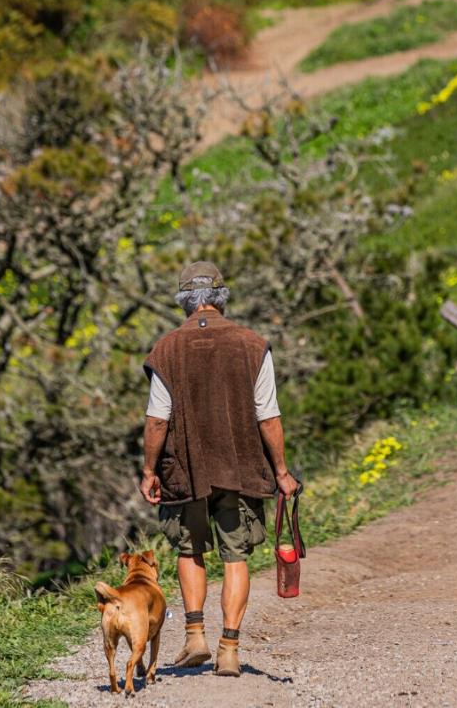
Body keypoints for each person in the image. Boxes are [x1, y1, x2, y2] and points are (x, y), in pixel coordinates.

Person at [139, 261, 300, 679]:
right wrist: (281, 471)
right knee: (235, 556)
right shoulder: (252, 344)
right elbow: (268, 416)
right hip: (240, 465)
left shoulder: (166, 349)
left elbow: (158, 419)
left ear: (183, 302)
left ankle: (195, 636)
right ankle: (229, 649)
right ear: (222, 298)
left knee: (189, 548)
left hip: (185, 469)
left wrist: (149, 470)